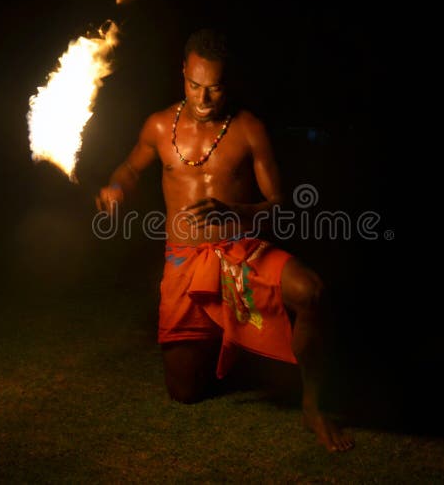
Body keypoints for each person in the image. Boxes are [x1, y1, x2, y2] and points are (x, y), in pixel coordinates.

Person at [95, 28, 353, 452]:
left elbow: (281, 206)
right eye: (194, 85)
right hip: (184, 260)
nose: (203, 99)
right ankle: (228, 339)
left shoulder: (249, 129)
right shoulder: (159, 126)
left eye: (214, 88)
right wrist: (116, 187)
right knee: (184, 393)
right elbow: (129, 167)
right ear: (183, 73)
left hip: (240, 251)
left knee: (311, 291)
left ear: (227, 83)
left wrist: (238, 212)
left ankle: (313, 407)